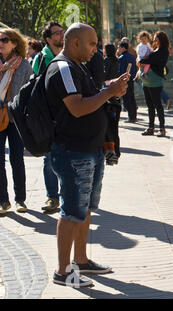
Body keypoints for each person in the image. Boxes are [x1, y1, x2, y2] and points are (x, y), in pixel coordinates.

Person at [45, 23, 129, 287]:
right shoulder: (64, 67)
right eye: (92, 44)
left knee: (85, 209)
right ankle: (63, 271)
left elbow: (90, 96)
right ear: (75, 42)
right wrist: (109, 92)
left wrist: (109, 86)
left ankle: (80, 260)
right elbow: (77, 107)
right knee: (71, 211)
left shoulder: (77, 66)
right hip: (73, 151)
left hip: (89, 150)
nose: (96, 49)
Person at [32, 21, 65, 213]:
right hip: (48, 117)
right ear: (48, 38)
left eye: (62, 32)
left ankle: (69, 195)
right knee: (49, 158)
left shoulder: (69, 55)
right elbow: (35, 89)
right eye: (57, 33)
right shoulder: (41, 59)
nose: (62, 35)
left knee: (70, 155)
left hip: (69, 115)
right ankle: (52, 197)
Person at [0, 28, 33, 214]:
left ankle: (20, 199)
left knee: (17, 159)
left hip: (15, 119)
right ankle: (3, 201)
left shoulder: (24, 66)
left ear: (15, 43)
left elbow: (30, 95)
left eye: (5, 39)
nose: (1, 43)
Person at [139, 31, 170, 137]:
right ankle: (151, 127)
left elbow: (152, 60)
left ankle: (162, 128)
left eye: (157, 39)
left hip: (155, 82)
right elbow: (146, 60)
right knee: (150, 105)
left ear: (162, 40)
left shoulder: (163, 51)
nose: (155, 41)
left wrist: (144, 60)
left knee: (158, 105)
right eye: (155, 39)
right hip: (147, 81)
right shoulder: (155, 50)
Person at [103, 43, 121, 159]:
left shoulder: (107, 61)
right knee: (114, 125)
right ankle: (115, 149)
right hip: (114, 89)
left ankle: (111, 149)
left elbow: (104, 76)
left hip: (107, 89)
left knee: (110, 125)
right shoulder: (116, 60)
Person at [117, 41, 138, 123]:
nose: (118, 49)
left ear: (123, 48)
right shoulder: (132, 57)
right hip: (131, 80)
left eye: (119, 47)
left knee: (126, 98)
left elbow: (120, 71)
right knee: (131, 98)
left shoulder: (121, 58)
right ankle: (134, 116)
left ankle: (131, 117)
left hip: (124, 81)